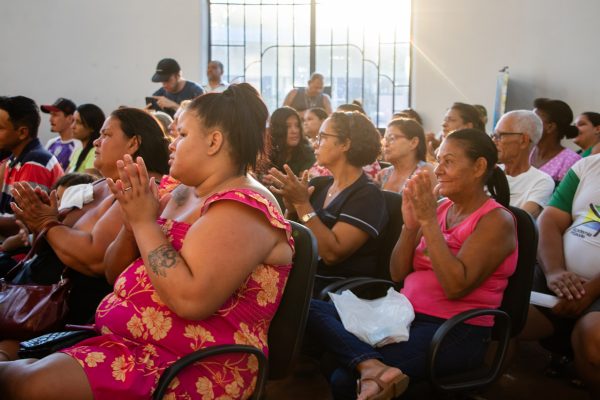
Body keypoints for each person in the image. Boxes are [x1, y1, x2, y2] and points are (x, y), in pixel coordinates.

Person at [0, 84, 294, 400]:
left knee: (25, 385)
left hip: (189, 366)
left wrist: (143, 222)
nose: (171, 144)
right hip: (133, 347)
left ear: (214, 141)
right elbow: (115, 274)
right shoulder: (178, 192)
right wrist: (131, 223)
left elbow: (191, 301)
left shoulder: (243, 207)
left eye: (182, 135)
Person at [307, 129, 517, 400]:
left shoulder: (496, 221)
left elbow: (455, 286)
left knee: (344, 378)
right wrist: (410, 227)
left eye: (448, 162)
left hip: (455, 331)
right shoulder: (440, 209)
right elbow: (397, 272)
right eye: (438, 160)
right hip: (403, 314)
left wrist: (428, 223)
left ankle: (367, 365)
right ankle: (370, 364)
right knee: (310, 308)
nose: (438, 170)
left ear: (479, 167)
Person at [0, 108, 172, 362]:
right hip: (33, 297)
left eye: (106, 134)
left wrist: (47, 223)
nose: (96, 141)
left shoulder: (139, 188)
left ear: (133, 143)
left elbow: (95, 257)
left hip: (66, 313)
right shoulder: (104, 183)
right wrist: (44, 218)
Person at [268, 111, 388, 292]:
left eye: (322, 137)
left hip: (337, 294)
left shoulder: (367, 195)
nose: (315, 143)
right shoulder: (319, 185)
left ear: (345, 144)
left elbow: (331, 254)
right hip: (303, 282)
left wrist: (302, 205)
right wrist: (291, 210)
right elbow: (290, 242)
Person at [520, 154, 600, 399]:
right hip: (558, 275)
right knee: (499, 311)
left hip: (595, 290)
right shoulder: (589, 165)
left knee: (594, 338)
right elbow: (550, 220)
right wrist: (554, 271)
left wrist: (592, 291)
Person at [0, 96, 63, 237]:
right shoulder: (12, 160)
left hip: (24, 251)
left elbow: (25, 223)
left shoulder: (35, 163)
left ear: (22, 132)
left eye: (0, 128)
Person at [494, 110, 555, 218]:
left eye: (500, 136)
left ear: (523, 140)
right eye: (493, 135)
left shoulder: (541, 181)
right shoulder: (489, 171)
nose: (494, 141)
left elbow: (521, 220)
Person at [375, 118, 436, 193]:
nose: (386, 144)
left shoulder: (425, 173)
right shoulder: (383, 175)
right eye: (385, 139)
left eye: (391, 138)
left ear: (413, 142)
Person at [530, 98, 581, 183]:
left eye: (534, 120)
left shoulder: (571, 161)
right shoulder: (524, 151)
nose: (528, 123)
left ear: (550, 127)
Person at [41, 97, 81, 171]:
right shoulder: (51, 142)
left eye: (55, 115)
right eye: (51, 115)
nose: (50, 119)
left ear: (70, 118)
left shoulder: (78, 145)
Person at [66, 103, 105, 175]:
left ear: (92, 127)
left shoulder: (95, 152)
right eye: (73, 121)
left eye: (78, 122)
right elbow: (64, 179)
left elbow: (88, 182)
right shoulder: (78, 151)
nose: (72, 126)